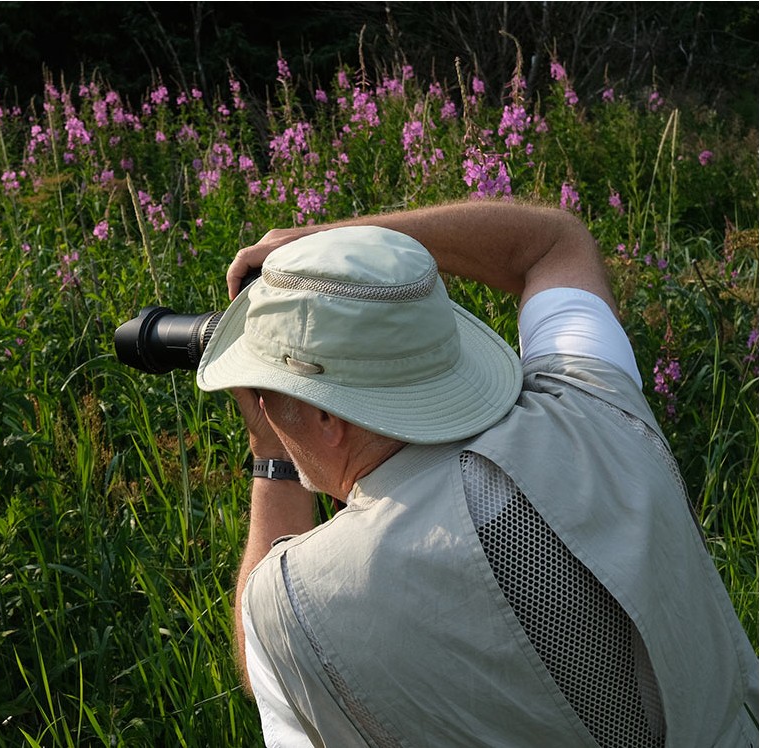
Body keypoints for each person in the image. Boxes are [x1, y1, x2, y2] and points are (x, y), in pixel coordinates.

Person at [195, 201, 759, 747]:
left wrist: (271, 456)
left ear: (324, 414)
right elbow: (551, 241)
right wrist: (334, 243)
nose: (262, 406)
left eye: (265, 393)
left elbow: (265, 660)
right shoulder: (592, 401)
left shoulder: (298, 604)